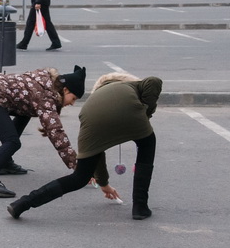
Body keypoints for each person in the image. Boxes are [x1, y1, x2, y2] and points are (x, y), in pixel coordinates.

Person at [8, 72, 161, 221]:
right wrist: (146, 114)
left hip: (89, 117)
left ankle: (23, 203)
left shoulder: (100, 94)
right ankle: (140, 207)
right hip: (131, 112)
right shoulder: (134, 84)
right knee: (147, 144)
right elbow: (154, 81)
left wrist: (103, 183)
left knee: (79, 178)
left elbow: (97, 152)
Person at [0, 65, 85, 198]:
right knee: (12, 142)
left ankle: (4, 163)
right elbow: (56, 132)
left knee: (25, 114)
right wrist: (77, 166)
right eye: (73, 98)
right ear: (65, 90)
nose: (72, 103)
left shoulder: (46, 84)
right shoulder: (45, 96)